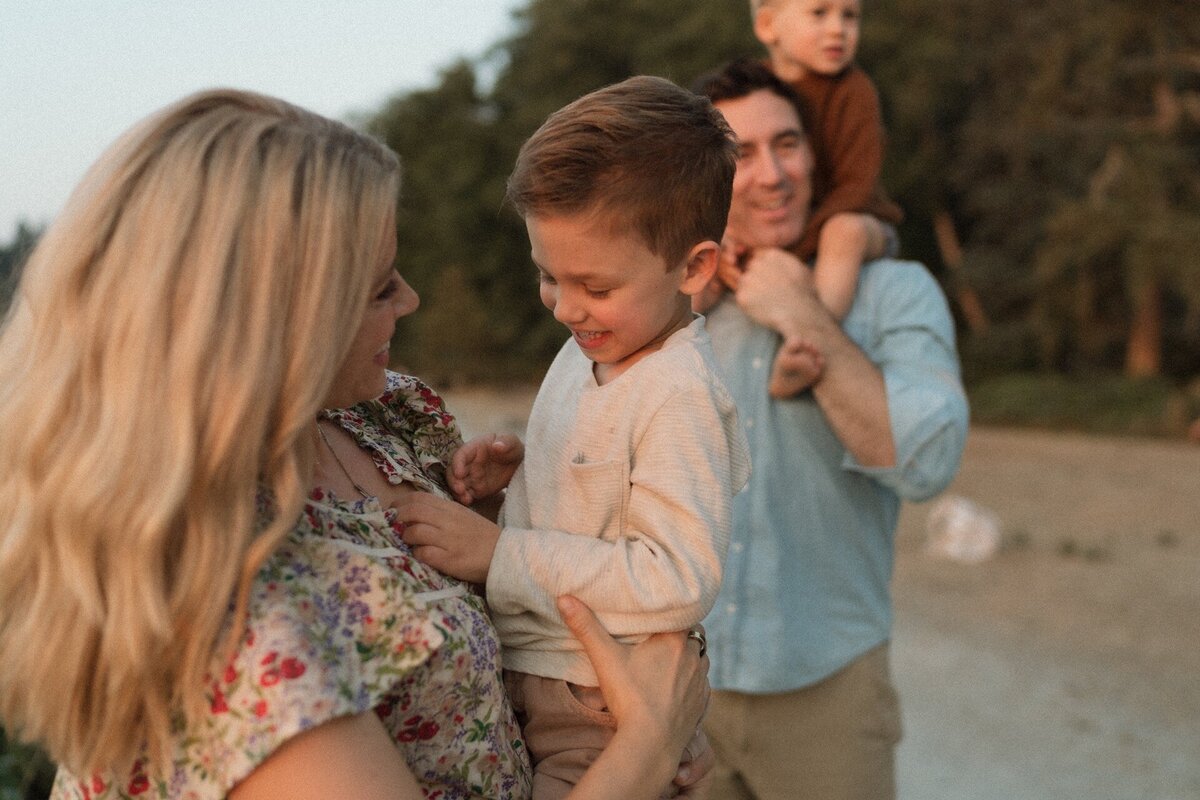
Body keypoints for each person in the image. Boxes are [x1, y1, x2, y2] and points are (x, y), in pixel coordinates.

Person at [0, 88, 714, 800]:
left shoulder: (381, 419)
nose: (411, 301)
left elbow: (470, 650)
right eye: (378, 289)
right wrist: (646, 746)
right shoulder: (226, 617)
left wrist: (590, 713)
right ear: (268, 325)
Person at [394, 76, 751, 799]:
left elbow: (677, 579)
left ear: (694, 267)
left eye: (593, 285)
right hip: (538, 679)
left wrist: (501, 553)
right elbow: (599, 501)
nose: (564, 307)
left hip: (595, 706)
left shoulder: (679, 395)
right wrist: (516, 479)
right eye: (547, 277)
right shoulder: (594, 346)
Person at [691, 59, 969, 800]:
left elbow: (927, 462)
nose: (772, 174)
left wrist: (802, 313)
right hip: (681, 689)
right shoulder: (675, 308)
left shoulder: (893, 290)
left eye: (788, 144)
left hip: (831, 691)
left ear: (817, 153)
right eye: (741, 154)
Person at [745, 0, 906, 392]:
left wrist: (797, 249)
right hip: (791, 225)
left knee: (843, 233)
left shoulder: (854, 90)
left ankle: (811, 346)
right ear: (768, 26)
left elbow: (857, 187)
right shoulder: (755, 88)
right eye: (820, 13)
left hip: (859, 220)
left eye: (850, 16)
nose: (839, 29)